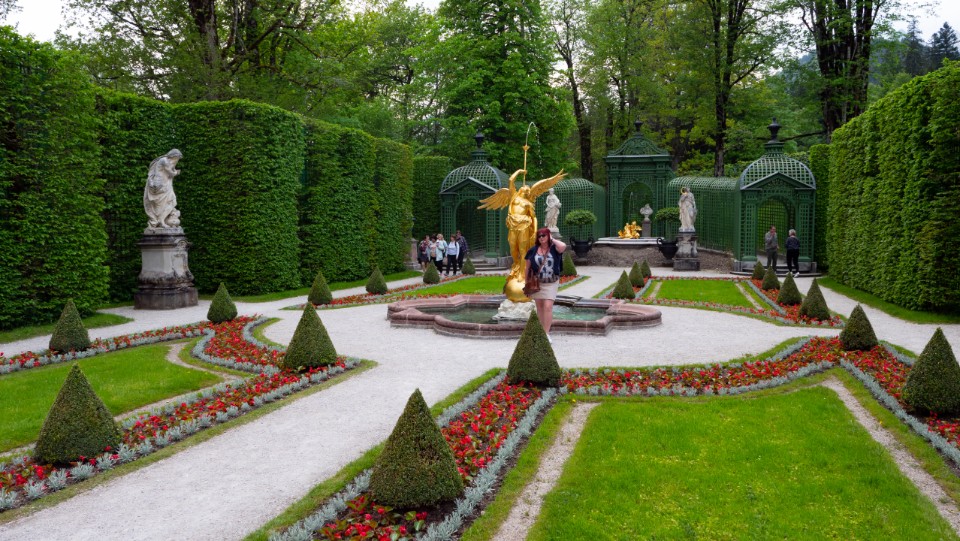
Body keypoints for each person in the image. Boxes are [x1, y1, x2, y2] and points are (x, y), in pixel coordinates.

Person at [524, 227, 567, 343]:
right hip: (537, 283)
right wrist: (526, 283)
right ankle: (541, 332)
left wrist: (552, 239)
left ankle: (546, 333)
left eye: (544, 235)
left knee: (548, 306)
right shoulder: (533, 250)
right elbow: (527, 268)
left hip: (551, 282)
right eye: (539, 236)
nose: (541, 238)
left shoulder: (554, 248)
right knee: (540, 308)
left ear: (548, 236)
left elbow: (563, 246)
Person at [144, 149, 183, 229]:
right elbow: (170, 172)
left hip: (163, 184)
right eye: (177, 158)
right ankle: (161, 221)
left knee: (170, 201)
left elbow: (170, 170)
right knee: (170, 201)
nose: (177, 160)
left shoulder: (167, 161)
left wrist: (174, 170)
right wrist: (176, 172)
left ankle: (161, 220)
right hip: (160, 185)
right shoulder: (164, 160)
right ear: (174, 156)